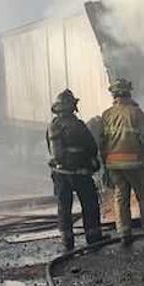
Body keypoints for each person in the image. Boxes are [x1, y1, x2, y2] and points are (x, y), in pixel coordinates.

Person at [100, 78, 144, 245]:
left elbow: (102, 141)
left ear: (113, 94)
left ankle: (124, 233)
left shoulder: (106, 115)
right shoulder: (136, 113)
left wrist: (104, 165)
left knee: (120, 197)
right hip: (136, 164)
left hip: (114, 165)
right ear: (128, 92)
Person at [46, 89, 103, 252]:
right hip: (80, 173)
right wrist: (91, 163)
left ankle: (67, 241)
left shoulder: (52, 126)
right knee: (90, 204)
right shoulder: (78, 125)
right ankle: (93, 238)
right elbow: (91, 147)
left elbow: (51, 150)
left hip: (61, 174)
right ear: (72, 107)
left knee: (64, 206)